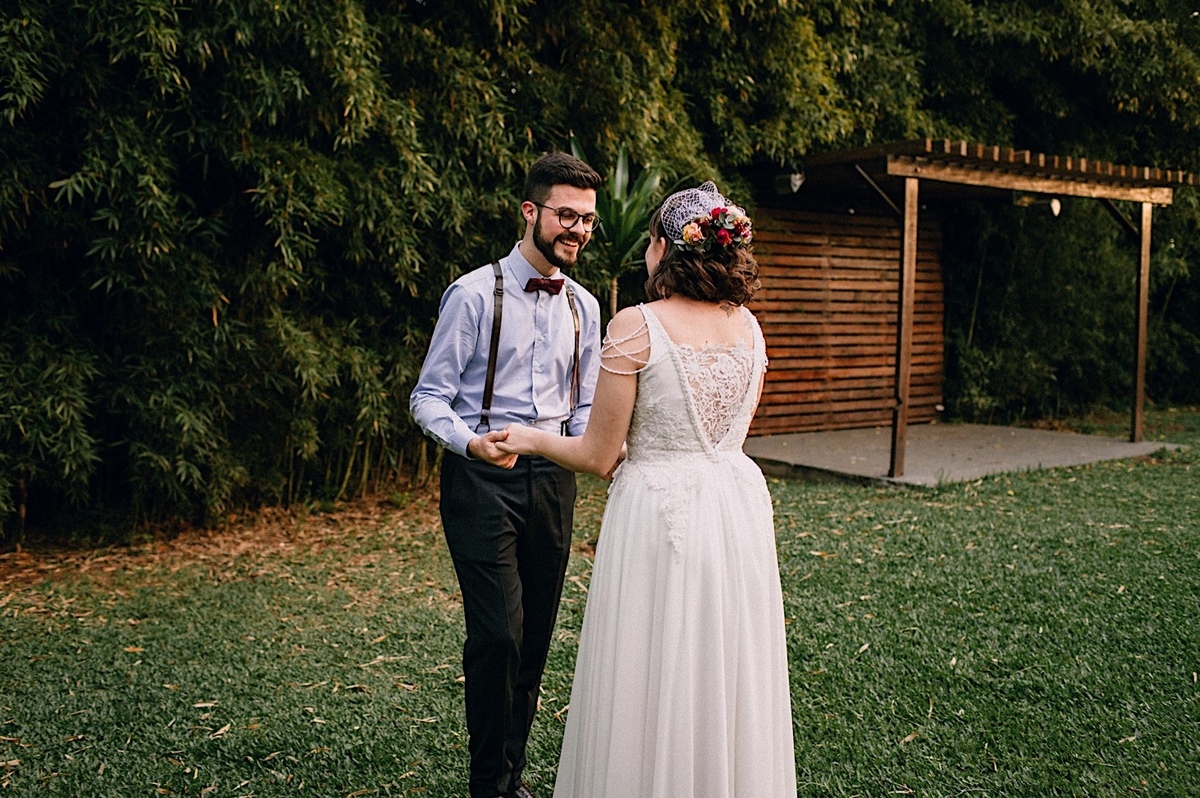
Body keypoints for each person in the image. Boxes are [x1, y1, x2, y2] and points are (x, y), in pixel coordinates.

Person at [497, 182, 797, 797]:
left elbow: (598, 454)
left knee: (650, 661)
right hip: (734, 505)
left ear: (663, 248)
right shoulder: (749, 329)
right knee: (723, 663)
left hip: (659, 513)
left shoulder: (636, 327)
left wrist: (527, 438)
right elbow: (715, 432)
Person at [409, 152, 605, 798]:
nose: (578, 229)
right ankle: (488, 783)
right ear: (531, 212)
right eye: (567, 215)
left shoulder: (586, 307)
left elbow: (584, 408)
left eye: (588, 220)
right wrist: (469, 443)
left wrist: (583, 449)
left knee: (536, 636)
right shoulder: (472, 294)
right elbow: (428, 398)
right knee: (497, 634)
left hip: (552, 483)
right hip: (481, 482)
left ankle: (510, 777)